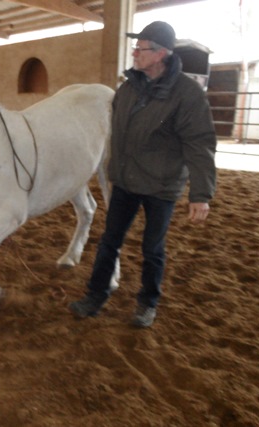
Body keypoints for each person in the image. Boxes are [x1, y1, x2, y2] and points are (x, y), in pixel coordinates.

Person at [69, 21, 216, 327]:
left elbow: (199, 143)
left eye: (141, 48)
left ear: (161, 54)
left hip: (161, 185)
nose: (134, 53)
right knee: (109, 241)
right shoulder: (128, 89)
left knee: (152, 248)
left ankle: (147, 303)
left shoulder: (187, 94)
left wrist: (201, 194)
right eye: (135, 47)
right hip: (126, 180)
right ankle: (95, 296)